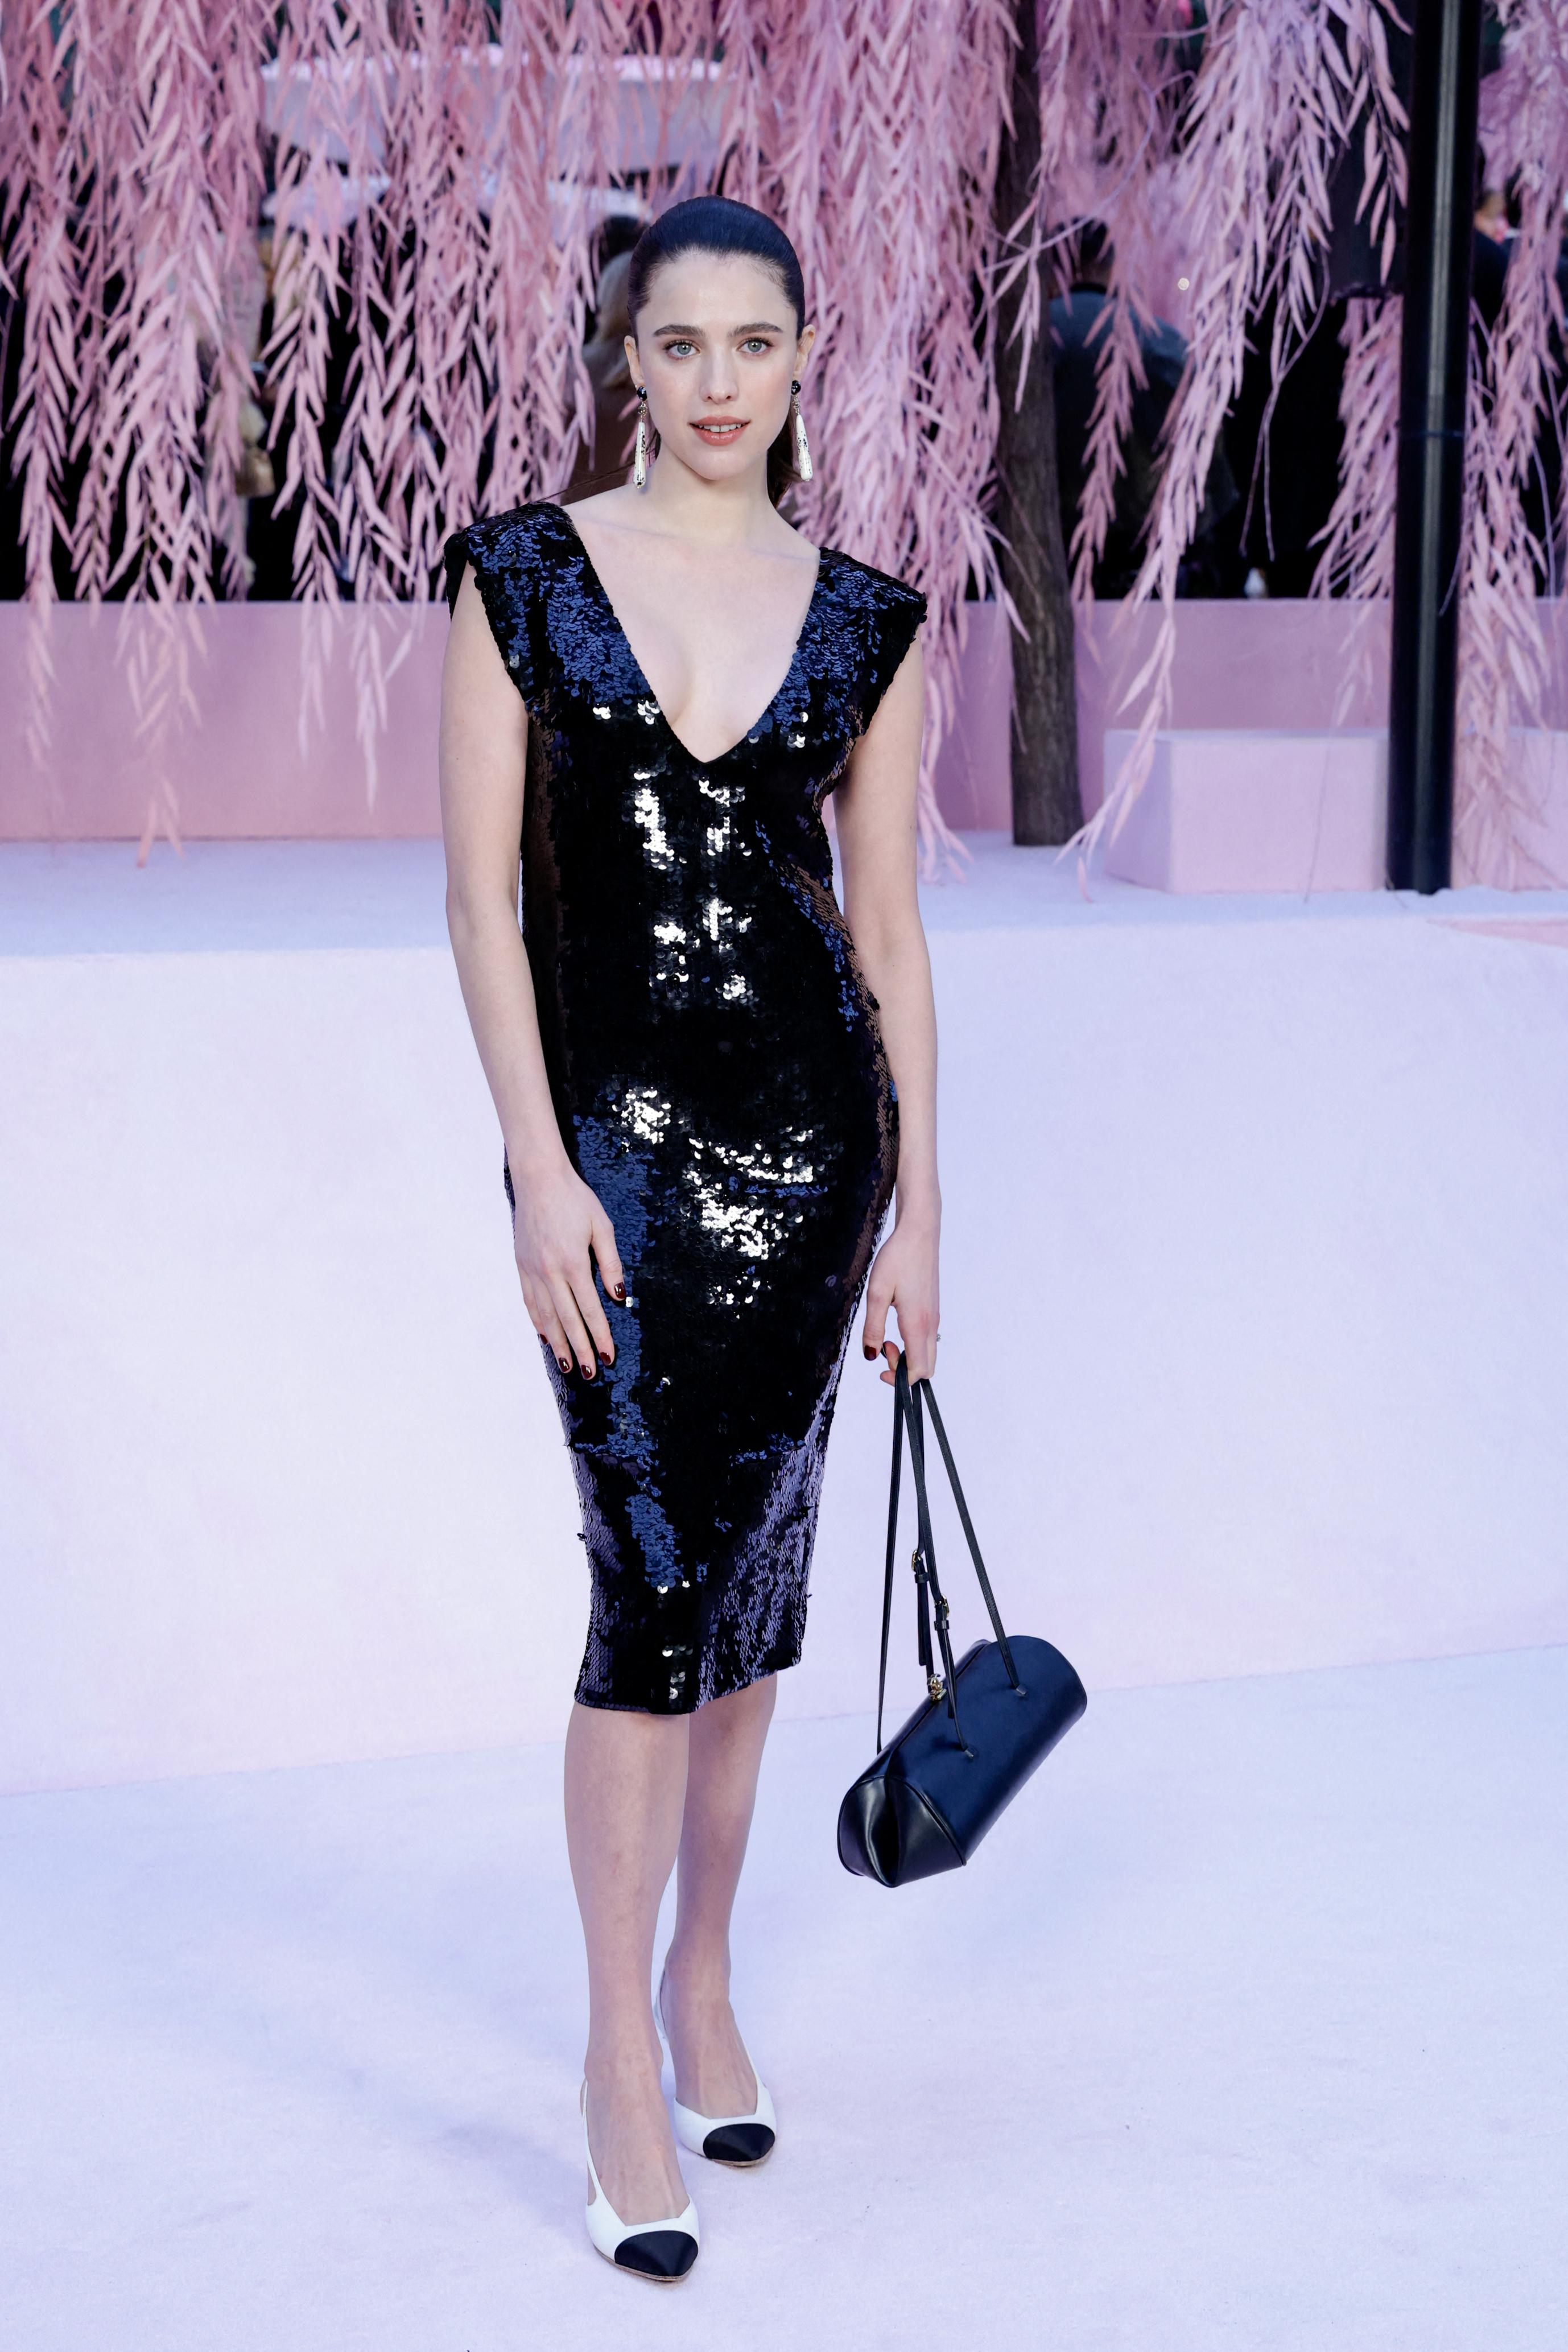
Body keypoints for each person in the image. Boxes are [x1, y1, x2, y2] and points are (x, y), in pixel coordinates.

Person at [438, 195, 939, 2283]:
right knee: (649, 1592)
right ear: (626, 362)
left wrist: (920, 1219)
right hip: (614, 1173)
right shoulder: (523, 578)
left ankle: (704, 1977)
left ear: (803, 356)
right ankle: (612, 2062)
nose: (717, 381)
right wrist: (537, 1167)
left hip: (816, 1161)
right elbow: (481, 902)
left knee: (748, 1598)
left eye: (753, 343)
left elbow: (887, 929)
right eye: (678, 343)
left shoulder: (871, 618)